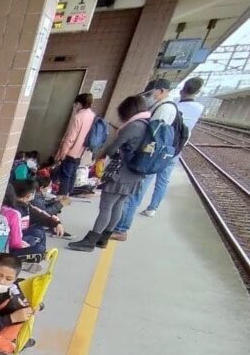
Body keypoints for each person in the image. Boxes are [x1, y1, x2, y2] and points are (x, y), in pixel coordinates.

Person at [68, 95, 151, 251]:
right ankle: (104, 238)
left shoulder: (134, 126)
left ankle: (90, 241)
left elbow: (113, 148)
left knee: (106, 207)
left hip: (121, 173)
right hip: (136, 174)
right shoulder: (147, 125)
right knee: (118, 205)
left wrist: (104, 154)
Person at [111, 79, 183, 239]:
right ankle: (119, 226)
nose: (149, 97)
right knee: (133, 192)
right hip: (154, 157)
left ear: (162, 91)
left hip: (149, 158)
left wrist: (137, 156)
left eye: (151, 93)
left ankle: (121, 228)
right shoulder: (165, 107)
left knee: (133, 193)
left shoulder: (164, 109)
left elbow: (153, 138)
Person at [139, 77, 204, 218]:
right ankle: (152, 208)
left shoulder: (172, 107)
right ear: (197, 92)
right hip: (177, 149)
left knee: (148, 176)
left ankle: (135, 203)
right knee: (163, 180)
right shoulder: (199, 108)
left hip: (162, 147)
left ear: (181, 91)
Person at [53, 93, 96, 197]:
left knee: (65, 174)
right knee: (73, 173)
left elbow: (70, 137)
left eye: (75, 104)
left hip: (71, 151)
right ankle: (69, 194)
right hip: (82, 151)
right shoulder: (93, 116)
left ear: (79, 104)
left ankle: (62, 197)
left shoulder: (78, 117)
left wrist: (63, 153)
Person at [1, 184, 47, 259]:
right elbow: (15, 242)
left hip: (2, 244)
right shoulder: (13, 213)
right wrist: (22, 244)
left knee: (36, 235)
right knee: (38, 247)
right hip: (7, 249)